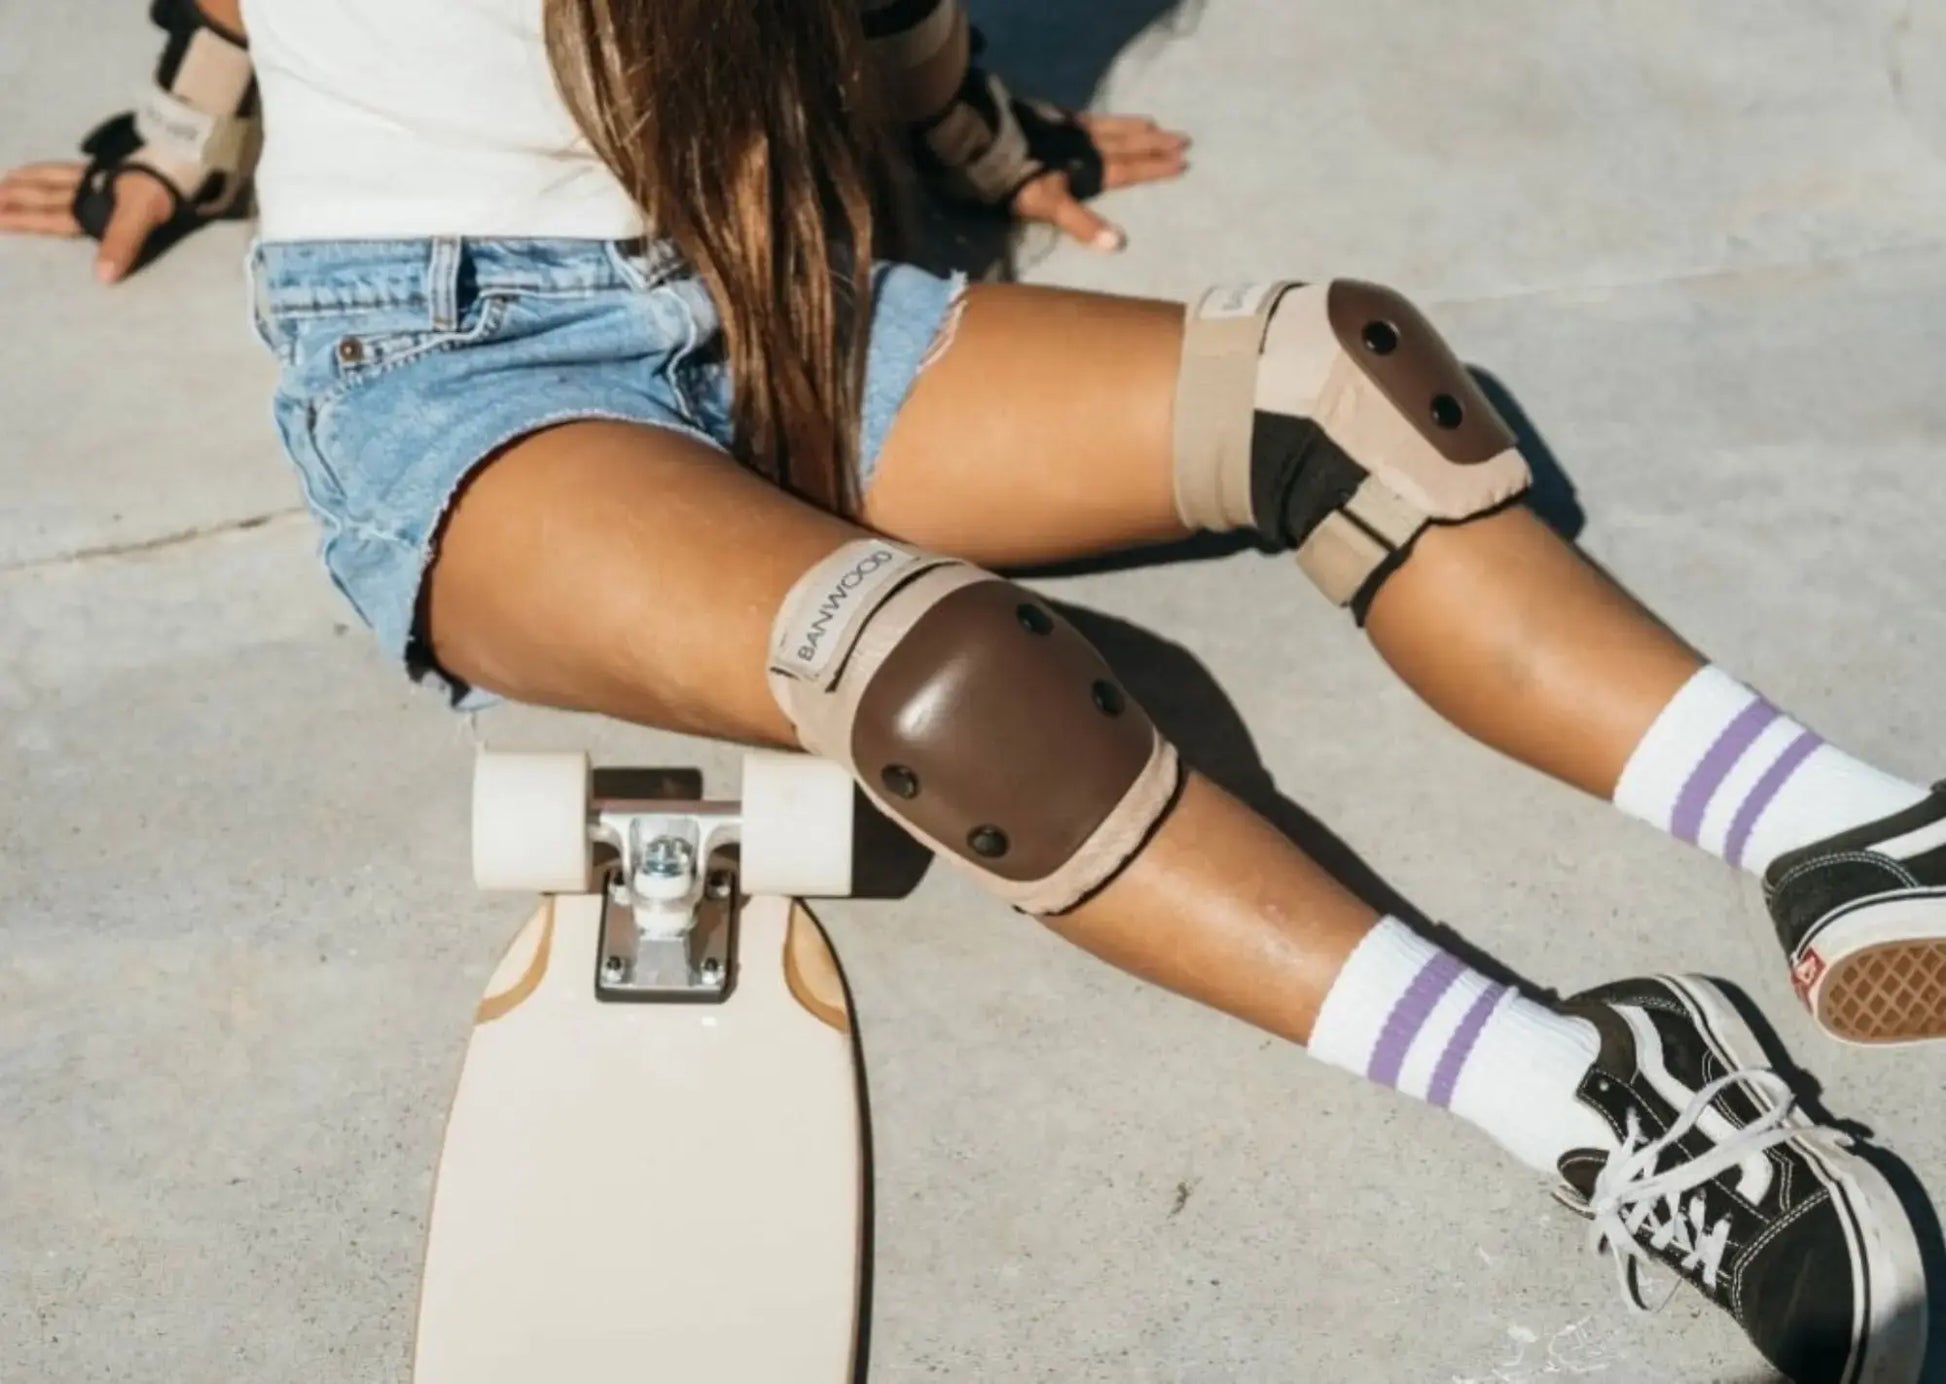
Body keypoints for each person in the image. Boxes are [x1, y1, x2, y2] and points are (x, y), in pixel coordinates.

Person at [6, 2, 1941, 1378]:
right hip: (451, 367)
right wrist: (184, 133)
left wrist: (981, 141)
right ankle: (1584, 1095)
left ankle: (1837, 822)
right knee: (940, 676)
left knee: (1332, 381)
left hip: (767, 289)